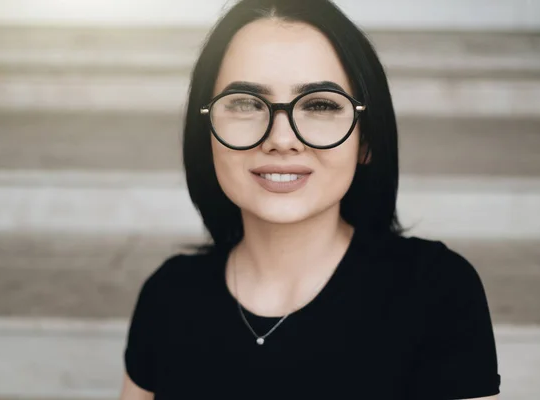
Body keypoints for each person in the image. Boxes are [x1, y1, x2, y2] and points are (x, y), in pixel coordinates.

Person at [119, 0, 501, 398]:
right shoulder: (168, 296)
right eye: (247, 103)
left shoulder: (437, 291)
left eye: (319, 105)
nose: (281, 140)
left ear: (365, 139)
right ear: (207, 132)